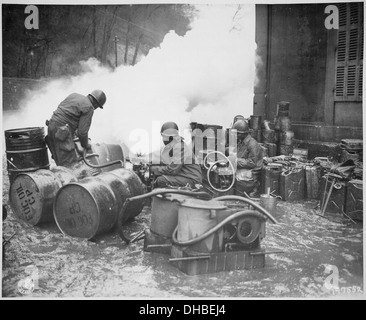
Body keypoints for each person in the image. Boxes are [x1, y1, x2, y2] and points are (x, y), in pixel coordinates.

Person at [46, 90, 106, 167]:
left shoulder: (74, 95)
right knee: (70, 164)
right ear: (96, 103)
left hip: (51, 127)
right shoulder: (89, 107)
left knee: (58, 160)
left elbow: (65, 112)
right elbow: (82, 132)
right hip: (62, 132)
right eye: (97, 107)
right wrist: (86, 145)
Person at [150, 121, 202, 188]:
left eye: (163, 137)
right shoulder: (174, 145)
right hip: (185, 175)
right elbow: (167, 161)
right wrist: (152, 162)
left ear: (170, 137)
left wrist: (154, 169)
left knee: (161, 180)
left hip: (192, 179)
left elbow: (173, 170)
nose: (163, 139)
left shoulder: (179, 147)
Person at [227, 119, 263, 197]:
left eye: (237, 133)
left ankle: (248, 192)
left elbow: (252, 163)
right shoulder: (242, 141)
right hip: (244, 170)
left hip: (250, 176)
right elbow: (236, 151)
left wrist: (235, 161)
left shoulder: (252, 144)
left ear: (244, 133)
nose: (235, 135)